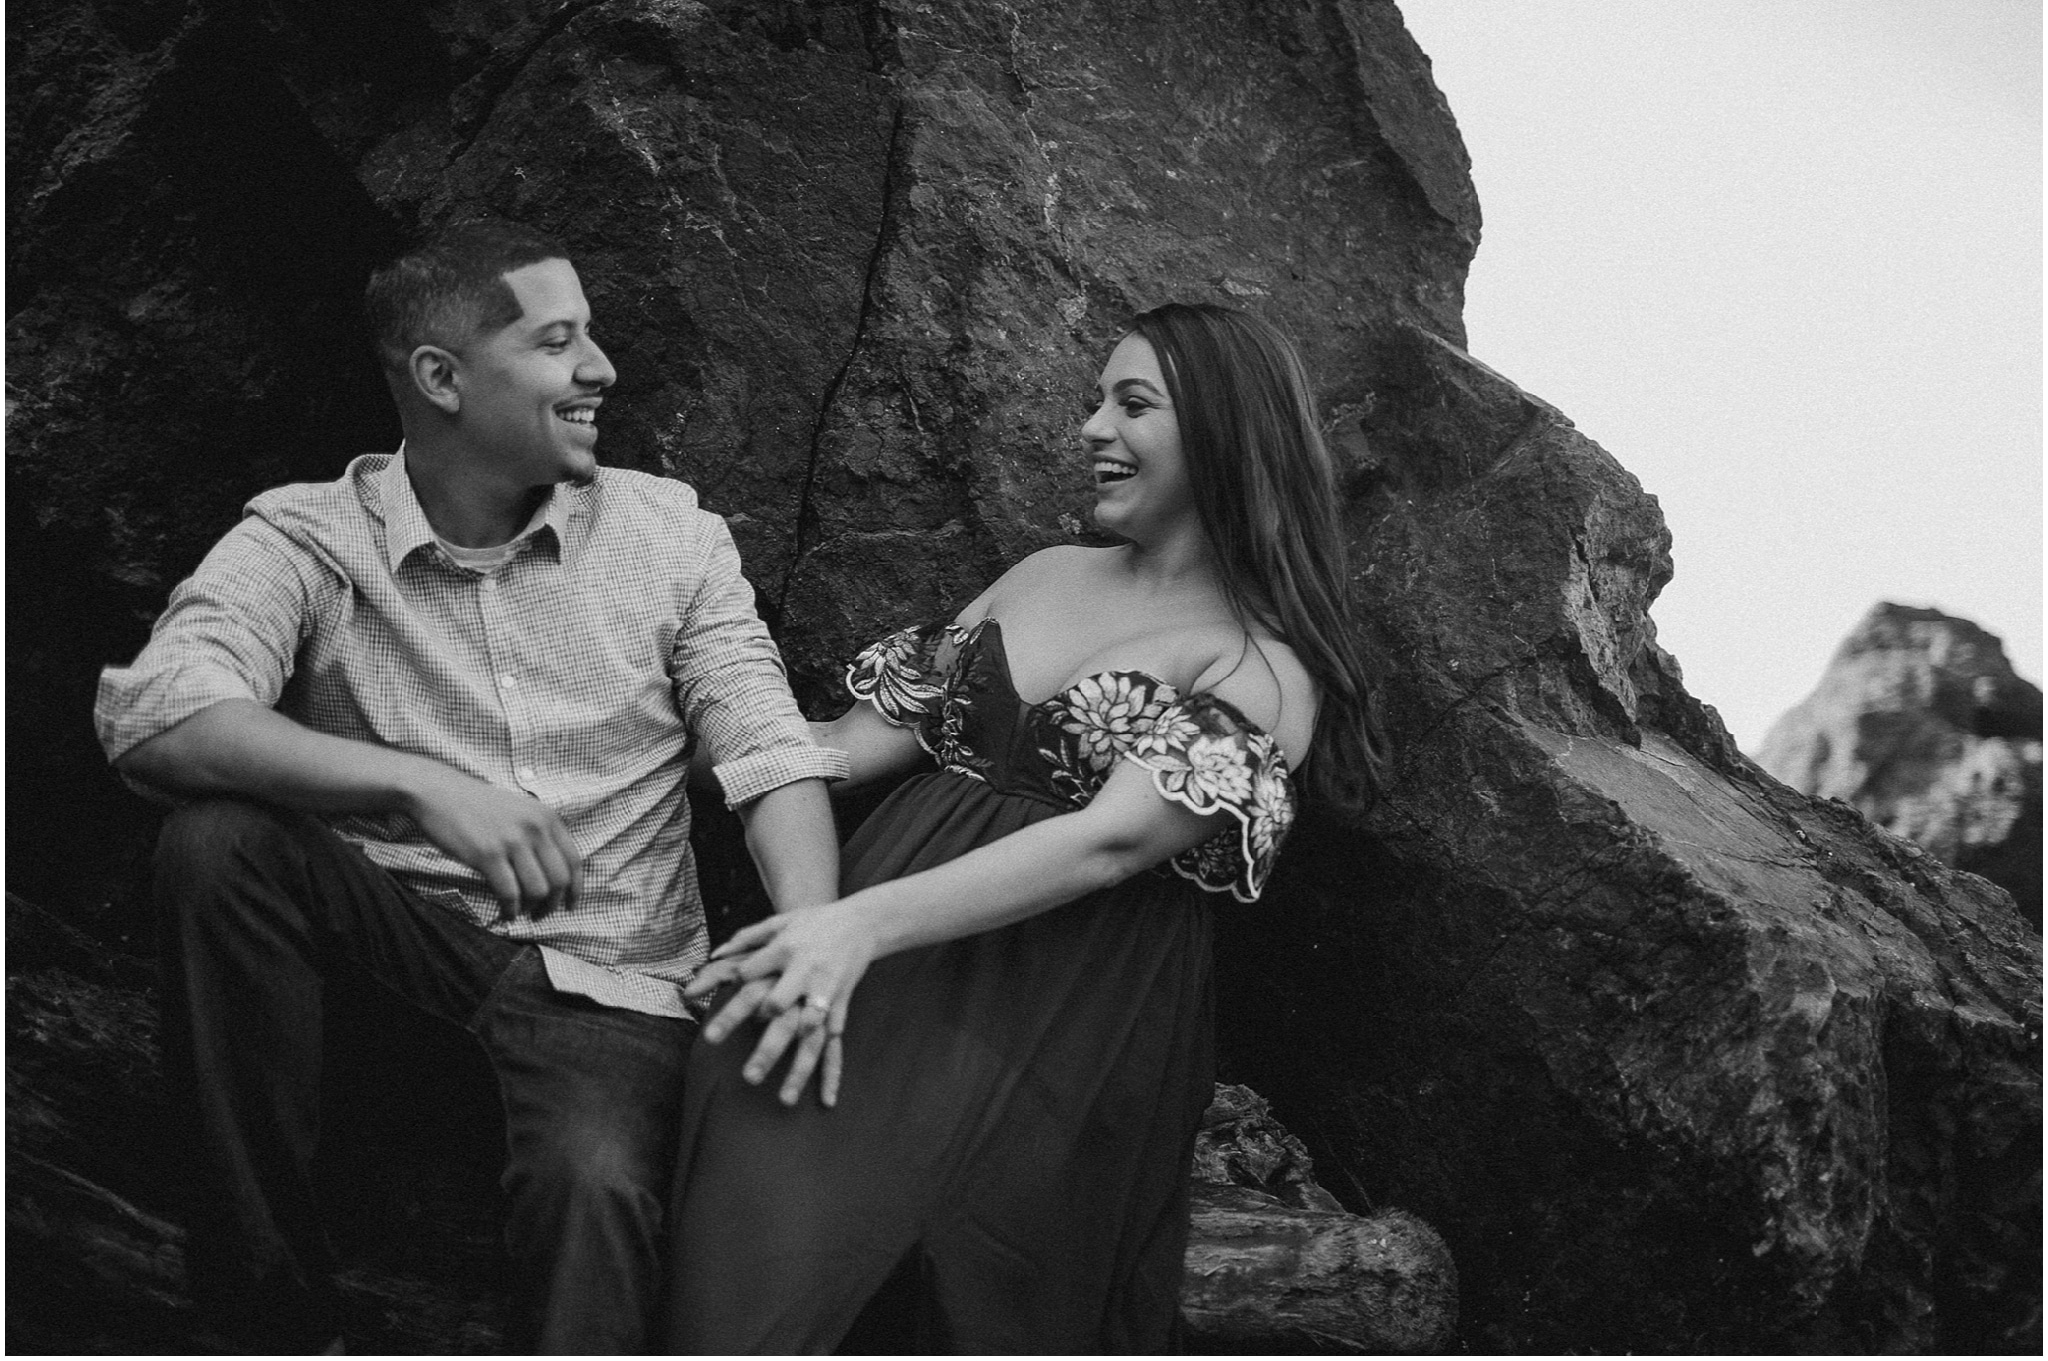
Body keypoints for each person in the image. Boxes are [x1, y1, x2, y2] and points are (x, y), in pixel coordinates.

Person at [93, 220, 845, 1355]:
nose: (601, 368)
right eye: (556, 342)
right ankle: (265, 1327)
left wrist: (813, 939)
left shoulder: (669, 535)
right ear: (440, 377)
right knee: (217, 844)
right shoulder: (305, 539)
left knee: (592, 1194)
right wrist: (412, 788)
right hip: (390, 973)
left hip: (615, 998)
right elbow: (154, 715)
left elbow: (765, 746)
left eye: (589, 336)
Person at [662, 303, 1387, 1352]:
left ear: (1226, 434)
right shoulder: (1044, 575)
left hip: (1056, 1007)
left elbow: (1110, 840)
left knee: (956, 1277)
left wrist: (854, 931)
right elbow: (853, 745)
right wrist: (649, 741)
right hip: (876, 949)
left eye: (1130, 404)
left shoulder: (1258, 664)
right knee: (749, 1131)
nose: (1092, 427)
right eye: (1096, 400)